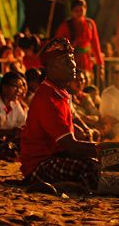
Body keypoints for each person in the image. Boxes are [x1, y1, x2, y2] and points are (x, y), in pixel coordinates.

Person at [20, 38, 100, 189]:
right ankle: (65, 186)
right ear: (50, 69)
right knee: (92, 169)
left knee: (96, 165)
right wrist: (112, 150)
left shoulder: (58, 92)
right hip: (40, 165)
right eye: (66, 62)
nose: (73, 65)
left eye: (72, 60)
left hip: (53, 158)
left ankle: (69, 185)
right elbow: (71, 147)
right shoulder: (47, 98)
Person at [54, 0, 103, 84]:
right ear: (72, 12)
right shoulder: (66, 26)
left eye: (81, 10)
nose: (79, 12)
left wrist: (100, 64)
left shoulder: (90, 24)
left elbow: (95, 44)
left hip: (86, 60)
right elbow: (57, 43)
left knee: (86, 82)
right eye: (76, 10)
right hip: (71, 60)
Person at [0, 71, 28, 161]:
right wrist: (11, 132)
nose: (19, 91)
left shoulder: (16, 105)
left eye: (20, 87)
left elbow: (23, 123)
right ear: (4, 87)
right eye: (15, 86)